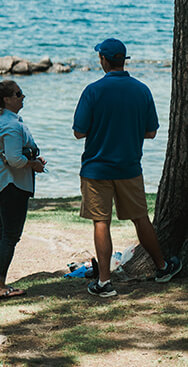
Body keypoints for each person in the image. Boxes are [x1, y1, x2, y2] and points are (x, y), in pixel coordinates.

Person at [73, 38, 181, 297]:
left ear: (104, 61)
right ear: (123, 61)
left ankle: (104, 282)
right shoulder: (141, 90)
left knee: (101, 222)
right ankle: (162, 267)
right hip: (129, 167)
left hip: (96, 169)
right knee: (140, 218)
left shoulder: (93, 91)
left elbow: (79, 132)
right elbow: (151, 132)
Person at [0, 80, 46, 299]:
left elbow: (12, 154)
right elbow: (15, 159)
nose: (23, 96)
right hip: (11, 184)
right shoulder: (10, 124)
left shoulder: (5, 120)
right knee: (10, 236)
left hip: (1, 183)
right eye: (18, 94)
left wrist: (32, 158)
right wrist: (32, 163)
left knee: (3, 233)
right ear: (7, 99)